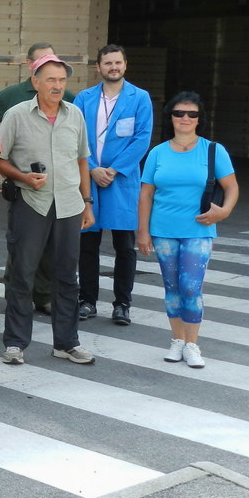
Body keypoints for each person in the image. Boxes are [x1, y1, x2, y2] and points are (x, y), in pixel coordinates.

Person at [0, 54, 96, 366]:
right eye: (51, 79)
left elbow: (82, 160)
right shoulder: (16, 115)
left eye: (62, 80)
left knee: (67, 276)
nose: (57, 85)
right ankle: (15, 344)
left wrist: (87, 202)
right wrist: (22, 177)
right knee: (22, 275)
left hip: (69, 205)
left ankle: (67, 343)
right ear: (36, 82)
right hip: (31, 203)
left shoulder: (74, 114)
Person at [137, 92, 238, 369]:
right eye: (179, 113)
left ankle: (192, 345)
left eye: (192, 114)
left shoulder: (213, 150)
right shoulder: (157, 153)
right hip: (163, 230)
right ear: (170, 117)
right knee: (172, 287)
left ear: (199, 119)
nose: (185, 118)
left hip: (199, 229)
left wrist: (224, 211)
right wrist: (142, 231)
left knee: (191, 287)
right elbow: (146, 194)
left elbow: (231, 187)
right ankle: (177, 340)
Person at [0, 43, 74, 316]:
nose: (56, 83)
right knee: (22, 251)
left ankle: (44, 295)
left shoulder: (69, 99)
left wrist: (85, 198)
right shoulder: (10, 97)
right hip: (25, 191)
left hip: (60, 194)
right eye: (43, 62)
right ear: (31, 69)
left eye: (59, 74)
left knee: (51, 251)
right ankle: (16, 297)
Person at [73, 44, 153, 326]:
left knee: (125, 246)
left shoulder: (140, 98)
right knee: (88, 244)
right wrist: (92, 168)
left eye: (118, 62)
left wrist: (114, 169)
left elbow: (142, 139)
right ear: (98, 67)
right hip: (90, 178)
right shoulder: (84, 98)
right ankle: (87, 300)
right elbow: (75, 136)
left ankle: (122, 304)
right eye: (107, 63)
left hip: (122, 180)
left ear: (125, 65)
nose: (113, 67)